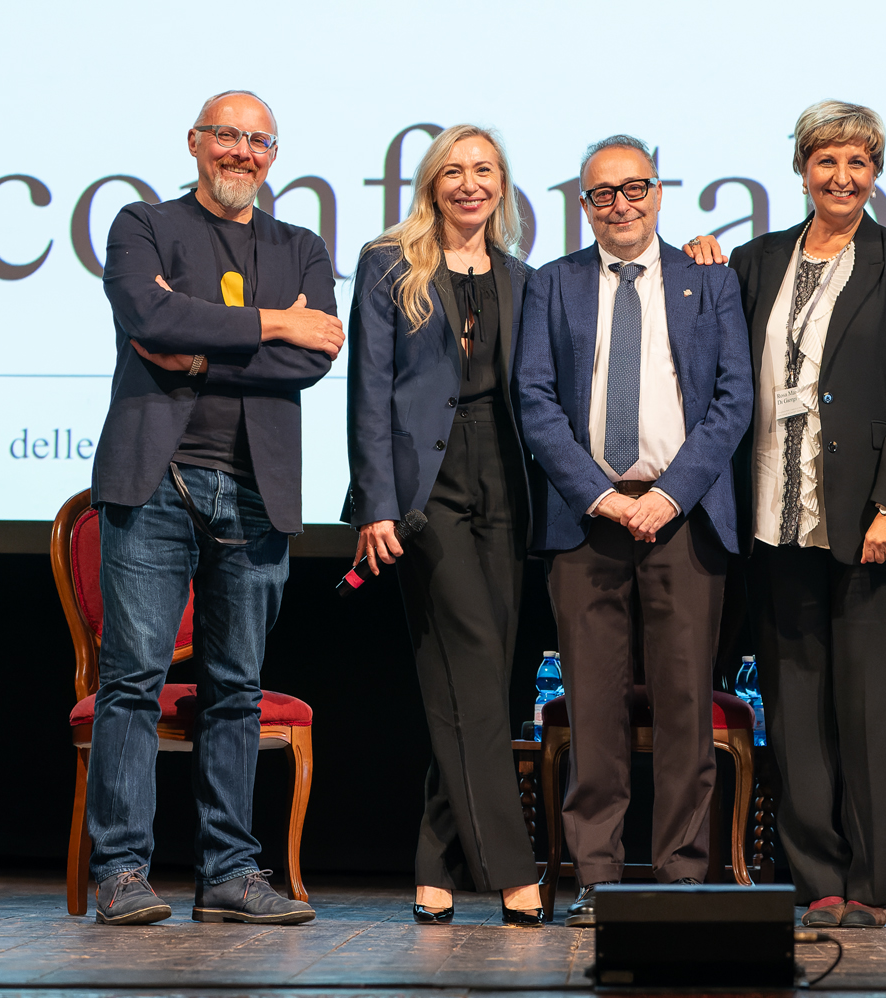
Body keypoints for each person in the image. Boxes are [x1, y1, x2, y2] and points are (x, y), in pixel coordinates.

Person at [87, 90, 344, 925]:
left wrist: (190, 356)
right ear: (195, 142)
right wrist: (272, 325)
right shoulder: (142, 225)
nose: (242, 152)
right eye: (226, 135)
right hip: (154, 478)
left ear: (274, 155)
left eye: (258, 140)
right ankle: (122, 872)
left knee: (236, 688)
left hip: (256, 488)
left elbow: (315, 360)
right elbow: (147, 313)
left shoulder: (301, 246)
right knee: (133, 681)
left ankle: (230, 875)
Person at [687, 100, 886, 929]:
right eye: (826, 162)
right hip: (774, 512)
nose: (842, 177)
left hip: (867, 518)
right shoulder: (758, 261)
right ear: (802, 169)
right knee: (794, 707)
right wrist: (696, 261)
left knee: (874, 711)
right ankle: (815, 880)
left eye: (858, 163)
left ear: (876, 173)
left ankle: (872, 885)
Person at [514, 135, 753, 927]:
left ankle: (684, 877)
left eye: (634, 188)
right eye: (602, 194)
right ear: (583, 206)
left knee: (686, 707)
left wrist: (672, 494)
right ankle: (598, 878)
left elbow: (732, 402)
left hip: (681, 518)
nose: (620, 204)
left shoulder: (708, 283)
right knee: (593, 708)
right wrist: (598, 494)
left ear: (659, 192)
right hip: (586, 522)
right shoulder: (552, 285)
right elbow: (536, 402)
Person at [346, 125, 545, 927]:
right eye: (454, 172)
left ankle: (435, 858)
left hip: (506, 481)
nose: (470, 184)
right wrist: (377, 503)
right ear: (432, 185)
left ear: (502, 185)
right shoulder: (388, 265)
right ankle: (509, 869)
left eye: (484, 171)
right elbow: (367, 390)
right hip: (425, 489)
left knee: (477, 681)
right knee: (469, 662)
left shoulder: (524, 278)